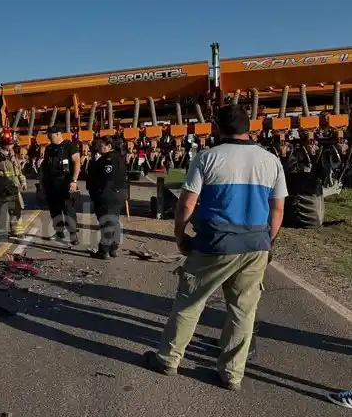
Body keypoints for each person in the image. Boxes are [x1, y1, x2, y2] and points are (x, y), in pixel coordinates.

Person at [144, 104, 287, 390]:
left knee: (190, 302)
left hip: (215, 243)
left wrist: (180, 235)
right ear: (250, 126)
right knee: (243, 311)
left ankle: (169, 360)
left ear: (217, 127)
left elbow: (186, 203)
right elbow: (278, 208)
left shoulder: (208, 158)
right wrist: (266, 241)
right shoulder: (270, 160)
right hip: (255, 244)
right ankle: (232, 374)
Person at [86, 136, 127, 259]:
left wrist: (100, 194)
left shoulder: (108, 158)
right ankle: (113, 248)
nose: (98, 147)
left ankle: (104, 250)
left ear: (109, 146)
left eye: (101, 145)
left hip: (108, 194)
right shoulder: (120, 157)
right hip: (118, 193)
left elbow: (107, 178)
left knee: (107, 222)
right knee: (114, 221)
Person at [39, 125, 81, 245]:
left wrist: (74, 181)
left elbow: (77, 162)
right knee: (55, 210)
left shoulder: (69, 146)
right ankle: (59, 232)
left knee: (69, 210)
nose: (48, 137)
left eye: (50, 135)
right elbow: (45, 167)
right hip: (51, 184)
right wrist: (42, 183)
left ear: (58, 134)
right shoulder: (49, 148)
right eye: (47, 135)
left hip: (66, 182)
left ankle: (73, 234)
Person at [0, 128, 27, 239]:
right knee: (0, 211)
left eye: (12, 144)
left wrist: (23, 181)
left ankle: (17, 232)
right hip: (1, 189)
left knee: (16, 209)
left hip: (13, 187)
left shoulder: (12, 153)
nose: (12, 146)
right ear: (3, 143)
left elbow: (17, 169)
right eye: (9, 144)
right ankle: (0, 233)